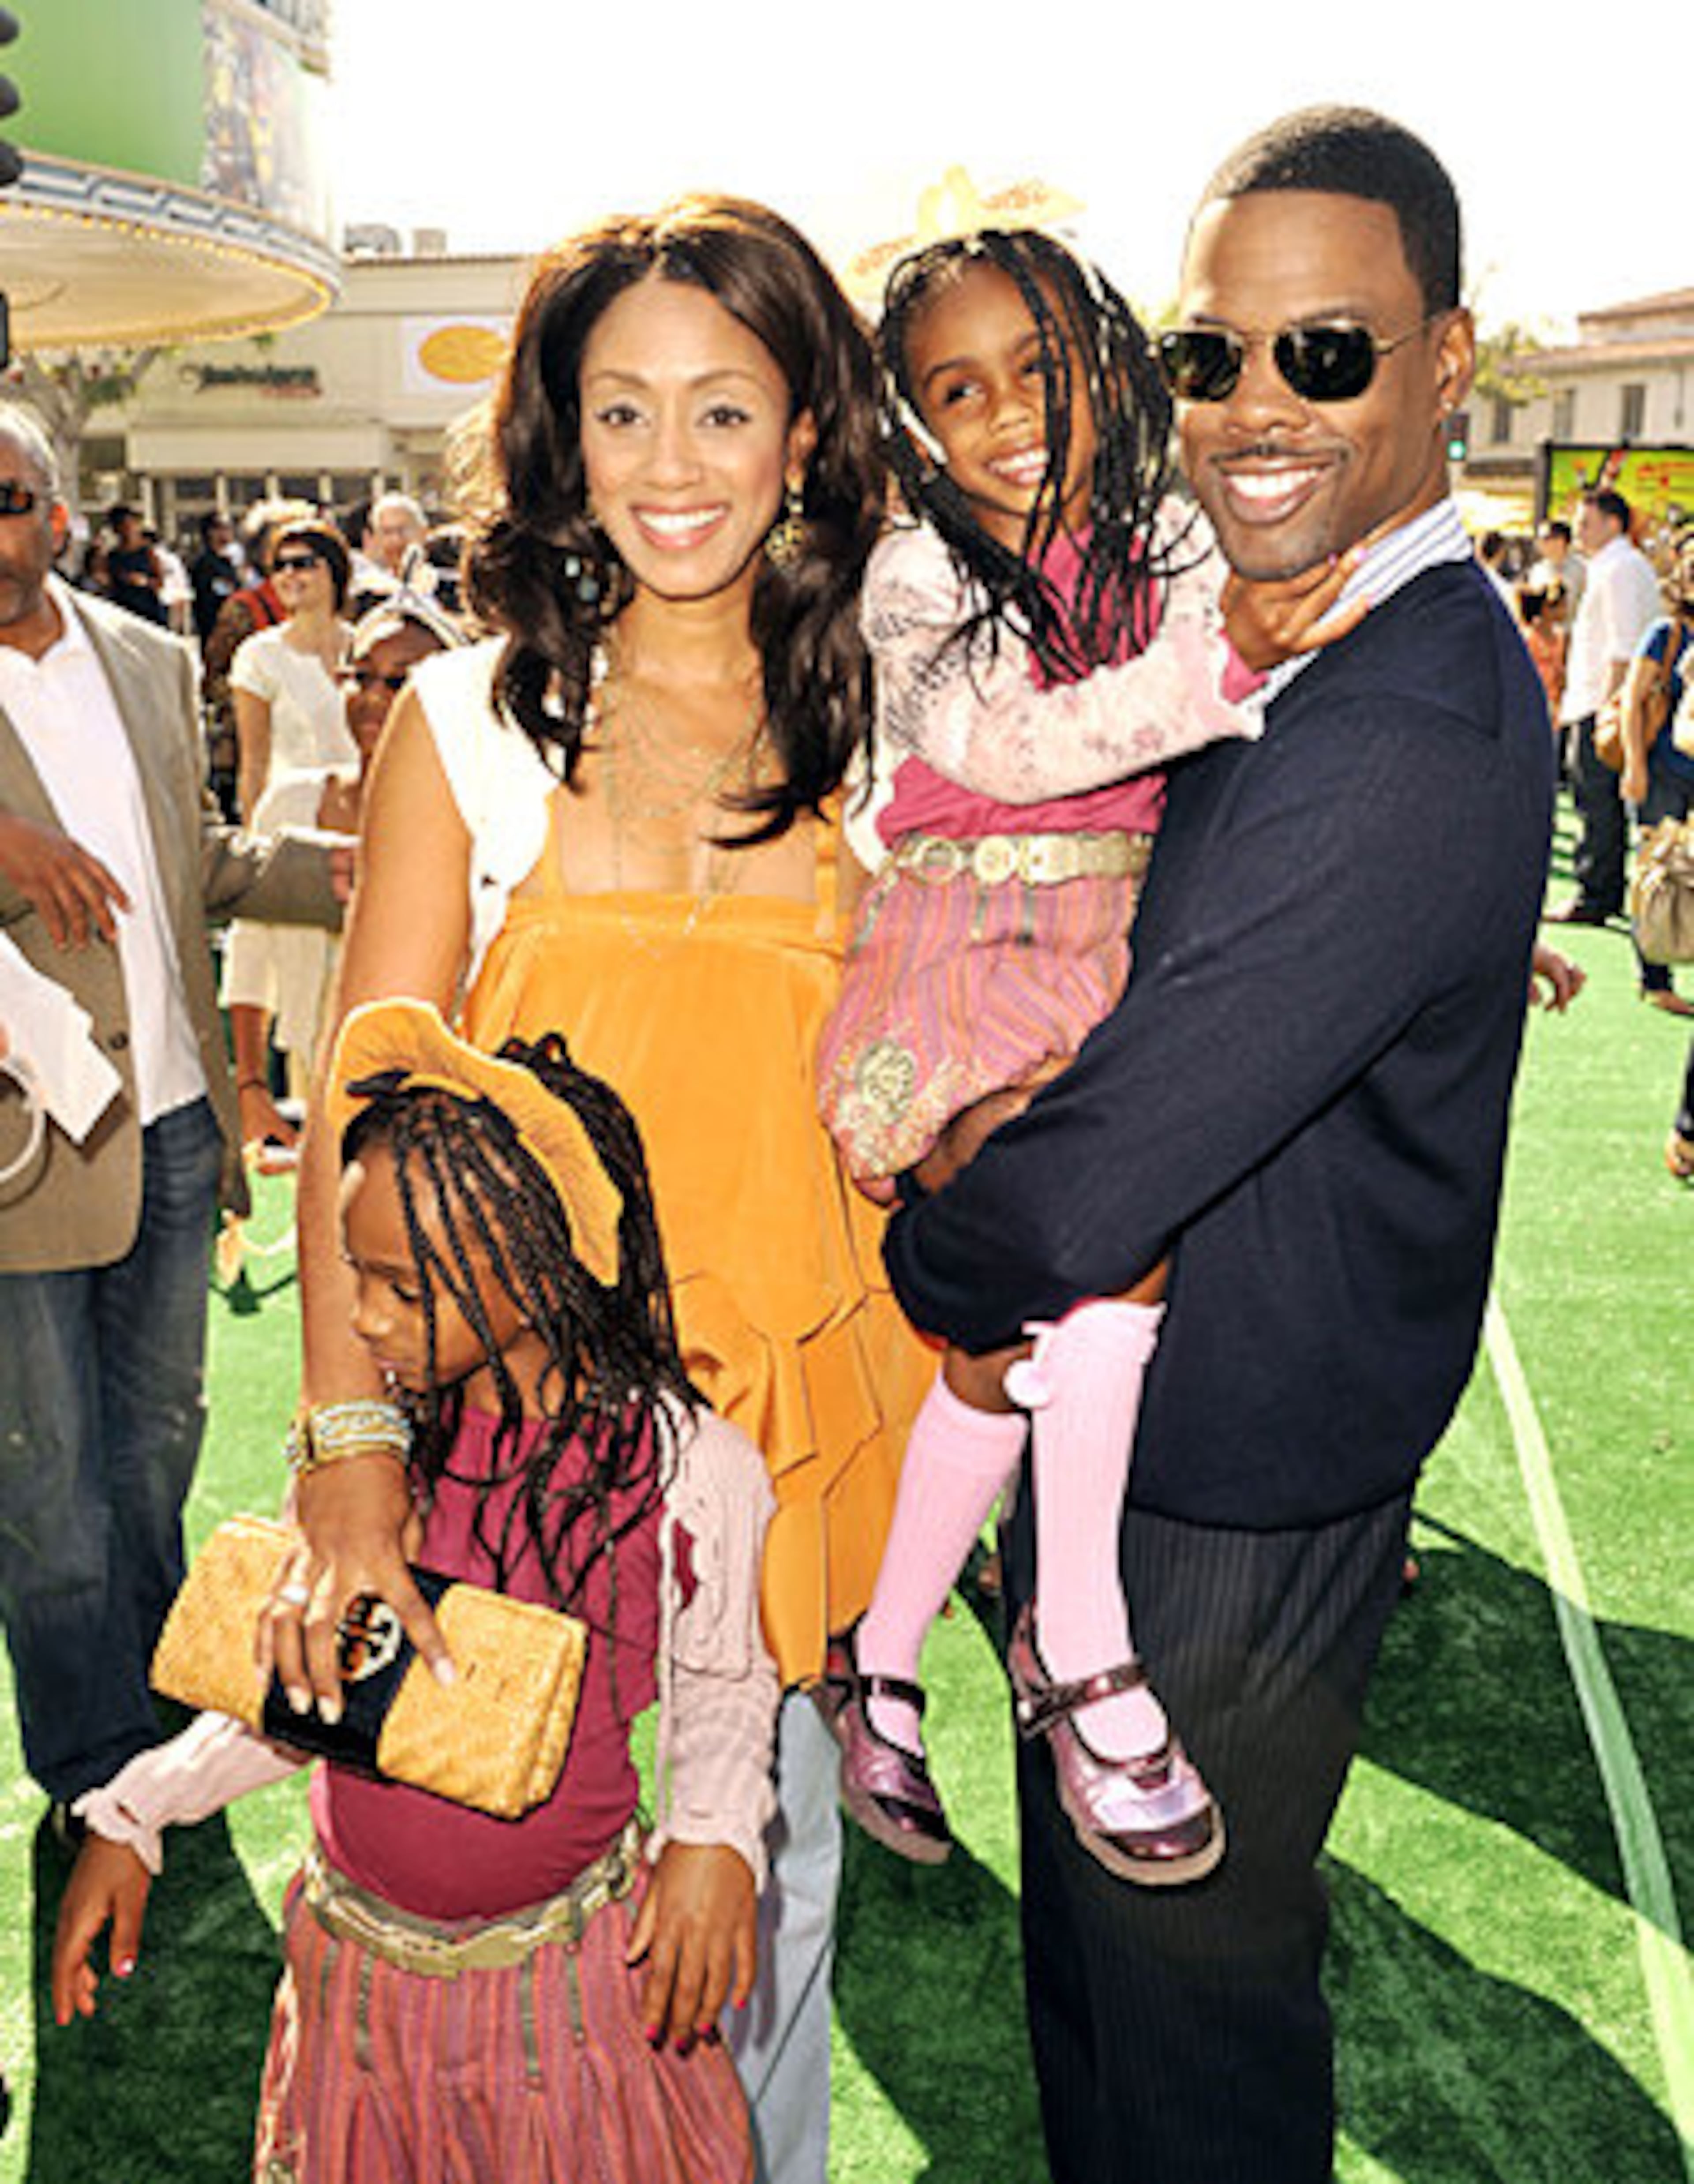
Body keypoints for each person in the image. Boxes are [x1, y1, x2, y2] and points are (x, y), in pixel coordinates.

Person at [882, 108, 1553, 2181]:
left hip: (1227, 1503)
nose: (1255, 407)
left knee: (1184, 2056)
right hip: (1169, 1447)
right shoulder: (1308, 637)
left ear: (1448, 360)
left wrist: (924, 1246)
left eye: (1325, 353)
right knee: (1108, 2006)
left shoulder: (1404, 710)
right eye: (1210, 353)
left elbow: (1099, 1173)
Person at [253, 197, 930, 2184]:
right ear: (563, 438)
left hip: (788, 1468)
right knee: (489, 1982)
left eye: (724, 408)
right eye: (621, 410)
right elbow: (359, 1113)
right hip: (507, 1475)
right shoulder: (467, 721)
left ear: (805, 430)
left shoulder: (896, 723)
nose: (671, 463)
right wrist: (354, 1459)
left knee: (744, 1965)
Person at [815, 225, 1356, 1880]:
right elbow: (1013, 746)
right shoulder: (915, 576)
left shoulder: (1171, 537)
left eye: (1038, 369)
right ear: (913, 423)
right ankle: (1077, 1631)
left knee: (1018, 1323)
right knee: (1091, 1243)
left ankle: (883, 1660)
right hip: (962, 957)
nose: (1007, 414)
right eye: (957, 389)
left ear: (1110, 364)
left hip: (1122, 956)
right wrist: (1225, 663)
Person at [52, 999, 777, 2183]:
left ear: (541, 1259)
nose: (363, 1317)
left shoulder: (687, 1467)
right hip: (360, 2000)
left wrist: (713, 1835)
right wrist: (139, 1807)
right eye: (356, 1271)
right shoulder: (371, 1472)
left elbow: (724, 1678)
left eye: (402, 1282)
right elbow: (301, 1700)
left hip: (572, 2003)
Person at [0, 403, 343, 1813]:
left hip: (178, 1115)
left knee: (154, 1452)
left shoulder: (143, 653)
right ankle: (92, 1765)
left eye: (3, 501)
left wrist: (347, 867)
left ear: (57, 515)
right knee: (46, 1477)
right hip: (27, 1137)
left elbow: (188, 853)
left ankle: (153, 1703)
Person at [225, 590, 464, 1156]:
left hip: (446, 1084)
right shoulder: (292, 802)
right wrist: (252, 1085)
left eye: (400, 681)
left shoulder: (477, 811)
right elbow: (249, 952)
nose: (375, 697)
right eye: (361, 677)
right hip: (315, 1077)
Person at [1548, 487, 1660, 933]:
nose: (1578, 531)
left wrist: (1609, 710)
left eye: (1586, 523)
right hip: (1597, 701)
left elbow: (1623, 648)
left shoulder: (1620, 569)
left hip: (1602, 704)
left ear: (1614, 524)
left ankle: (1596, 894)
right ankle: (1600, 890)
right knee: (1598, 803)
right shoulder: (1616, 566)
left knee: (1598, 804)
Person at [229, 517, 358, 826]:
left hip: (359, 817)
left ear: (335, 571)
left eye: (303, 564)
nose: (289, 575)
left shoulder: (366, 648)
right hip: (290, 824)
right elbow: (253, 764)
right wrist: (252, 838)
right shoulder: (259, 656)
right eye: (279, 567)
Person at [1618, 524, 1694, 1017]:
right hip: (1664, 769)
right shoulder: (1667, 634)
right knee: (1657, 875)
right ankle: (1654, 978)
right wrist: (1635, 765)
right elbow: (1631, 700)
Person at [101, 506, 167, 628]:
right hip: (124, 610)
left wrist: (144, 582)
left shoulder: (148, 552)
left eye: (130, 525)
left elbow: (160, 582)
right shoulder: (113, 557)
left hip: (148, 609)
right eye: (122, 527)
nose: (128, 530)